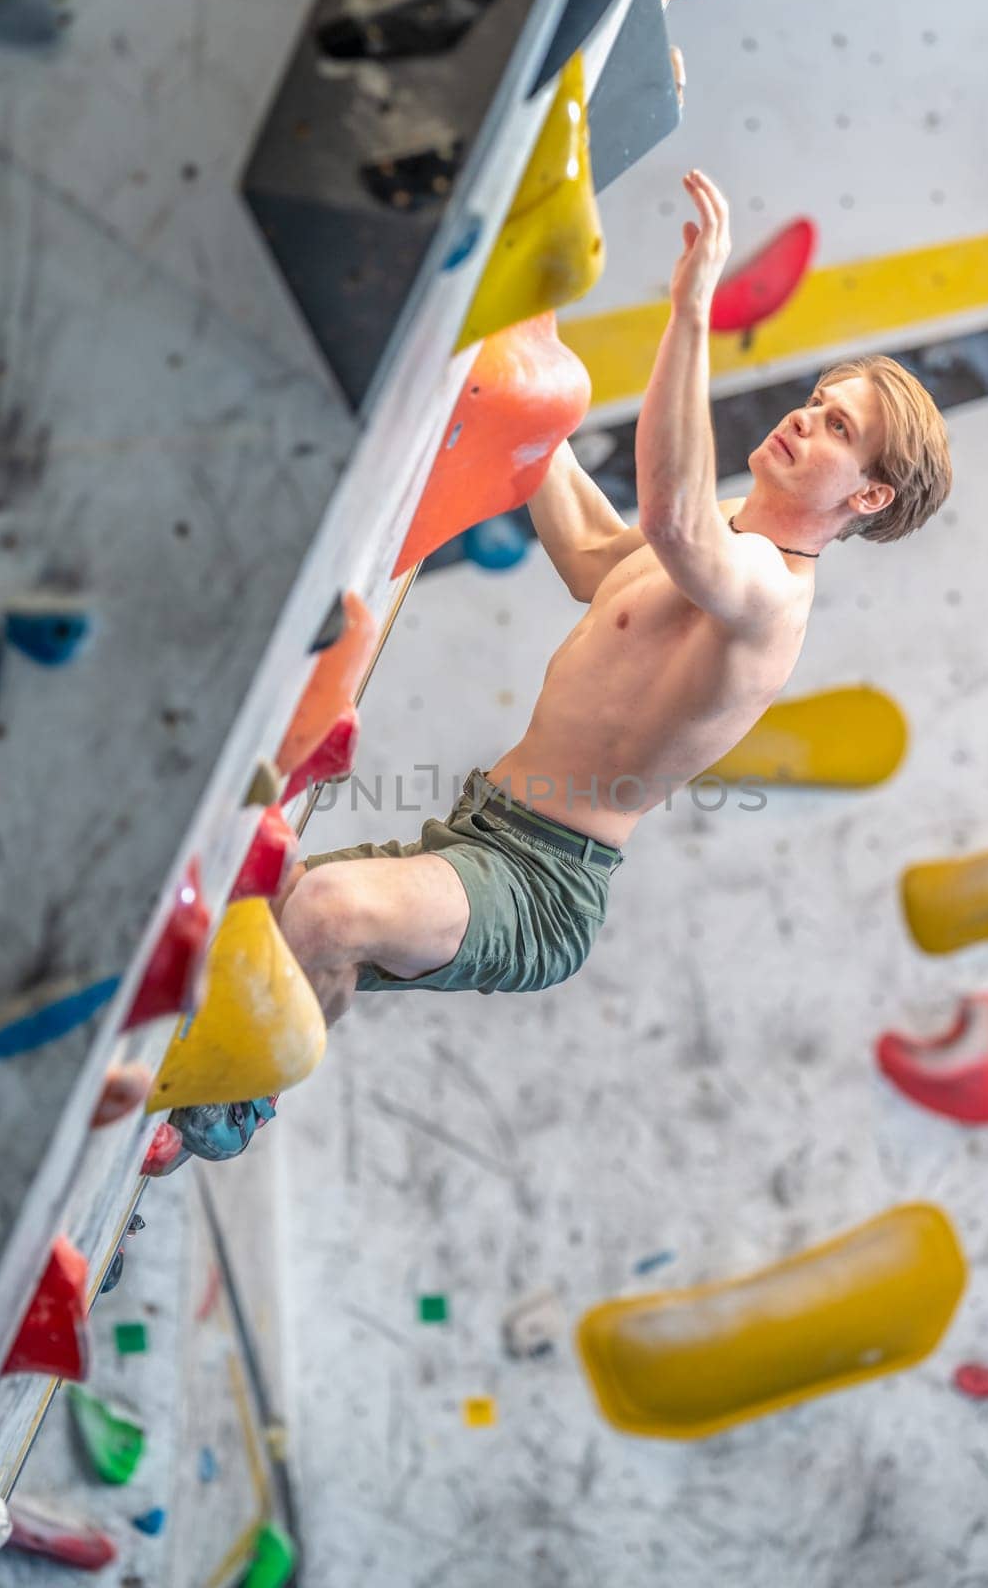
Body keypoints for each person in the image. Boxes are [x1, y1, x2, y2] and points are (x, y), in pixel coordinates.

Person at [278, 171, 952, 1022]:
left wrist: (692, 310)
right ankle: (259, 1056)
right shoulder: (728, 532)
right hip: (482, 827)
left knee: (325, 910)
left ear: (868, 497)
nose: (804, 418)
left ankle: (224, 1097)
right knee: (274, 911)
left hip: (541, 880)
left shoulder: (769, 595)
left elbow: (671, 520)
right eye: (818, 402)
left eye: (837, 429)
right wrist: (507, 363)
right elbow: (594, 559)